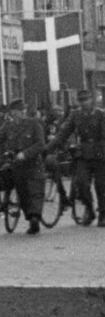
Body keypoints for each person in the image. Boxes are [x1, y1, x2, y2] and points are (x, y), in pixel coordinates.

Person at [0, 98, 46, 235]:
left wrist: (25, 153)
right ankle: (30, 217)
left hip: (33, 164)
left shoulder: (34, 124)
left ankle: (35, 218)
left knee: (35, 191)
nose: (18, 114)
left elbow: (40, 144)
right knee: (22, 191)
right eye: (15, 111)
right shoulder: (9, 126)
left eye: (20, 111)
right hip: (17, 164)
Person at [48, 88, 105, 226]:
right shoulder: (76, 115)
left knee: (101, 185)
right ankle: (89, 210)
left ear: (91, 100)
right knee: (82, 184)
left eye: (86, 100)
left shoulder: (100, 114)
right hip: (82, 154)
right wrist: (48, 147)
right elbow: (64, 132)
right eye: (81, 100)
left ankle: (103, 214)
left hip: (99, 153)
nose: (84, 103)